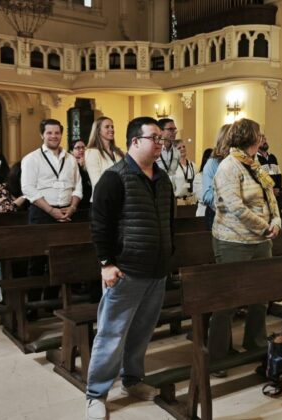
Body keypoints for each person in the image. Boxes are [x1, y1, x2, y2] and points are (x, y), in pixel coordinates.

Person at [85, 116, 174, 419]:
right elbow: (100, 225)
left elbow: (168, 223)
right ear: (135, 141)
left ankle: (132, 380)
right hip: (126, 270)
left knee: (142, 332)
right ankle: (96, 394)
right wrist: (106, 263)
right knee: (112, 334)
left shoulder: (163, 178)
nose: (161, 143)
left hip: (156, 270)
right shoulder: (115, 177)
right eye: (155, 138)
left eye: (162, 138)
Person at [210, 118, 281, 376]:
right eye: (258, 134)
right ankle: (217, 355)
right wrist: (264, 226)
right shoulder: (228, 167)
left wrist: (276, 220)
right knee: (227, 301)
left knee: (261, 297)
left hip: (261, 240)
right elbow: (235, 207)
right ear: (249, 137)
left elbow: (269, 196)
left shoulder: (255, 164)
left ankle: (255, 343)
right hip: (233, 241)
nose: (261, 138)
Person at [20, 119, 83, 307]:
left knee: (61, 261)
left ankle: (51, 303)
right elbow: (28, 189)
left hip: (67, 212)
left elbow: (78, 186)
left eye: (57, 132)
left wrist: (72, 207)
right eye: (49, 133)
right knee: (37, 261)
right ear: (42, 135)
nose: (53, 136)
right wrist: (50, 210)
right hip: (42, 213)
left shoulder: (70, 159)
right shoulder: (32, 159)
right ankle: (32, 305)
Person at [200, 124, 232, 229]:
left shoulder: (240, 161)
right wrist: (229, 199)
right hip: (217, 215)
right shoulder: (212, 163)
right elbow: (207, 196)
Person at [84, 116, 124, 195]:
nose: (111, 129)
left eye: (112, 127)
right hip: (102, 199)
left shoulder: (119, 152)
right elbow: (97, 183)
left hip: (120, 198)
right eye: (107, 127)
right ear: (98, 131)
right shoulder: (92, 152)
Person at [156, 118, 181, 186]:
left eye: (174, 129)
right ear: (160, 131)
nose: (174, 132)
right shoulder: (154, 149)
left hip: (171, 190)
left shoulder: (177, 152)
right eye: (170, 129)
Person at [71, 139, 93, 206]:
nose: (81, 150)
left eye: (83, 147)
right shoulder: (70, 165)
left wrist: (85, 166)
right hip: (76, 202)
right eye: (78, 148)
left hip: (90, 201)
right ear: (71, 151)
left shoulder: (91, 163)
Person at [193, 148, 213, 217]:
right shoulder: (198, 177)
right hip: (203, 214)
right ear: (206, 160)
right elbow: (204, 197)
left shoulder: (219, 176)